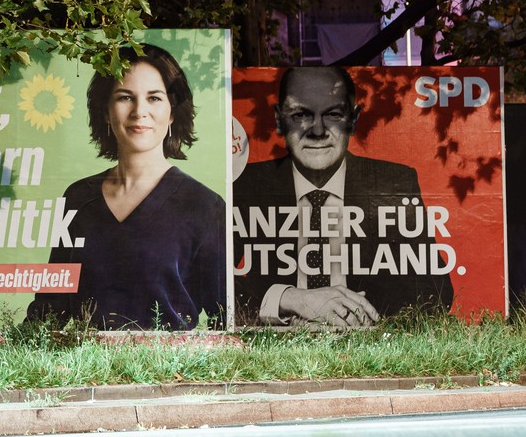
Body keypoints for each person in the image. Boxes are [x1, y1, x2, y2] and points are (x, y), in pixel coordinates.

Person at [234, 66, 453, 327]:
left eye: (333, 114)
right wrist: (289, 299)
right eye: (301, 114)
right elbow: (206, 282)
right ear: (280, 120)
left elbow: (434, 291)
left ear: (353, 119)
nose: (317, 130)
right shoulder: (247, 184)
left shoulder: (392, 182)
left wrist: (349, 316)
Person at [27, 45, 226, 330]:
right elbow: (49, 310)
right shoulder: (78, 198)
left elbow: (225, 318)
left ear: (172, 112)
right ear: (106, 111)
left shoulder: (205, 205)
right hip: (89, 371)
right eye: (124, 97)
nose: (139, 111)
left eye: (154, 98)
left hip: (170, 371)